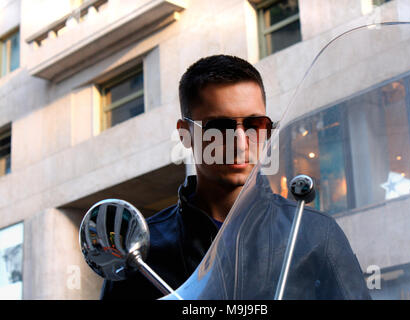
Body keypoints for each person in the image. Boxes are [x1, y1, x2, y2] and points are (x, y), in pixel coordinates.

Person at [100, 54, 371, 300]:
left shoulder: (314, 233)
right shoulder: (142, 252)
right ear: (185, 134)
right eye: (219, 127)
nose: (241, 143)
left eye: (256, 125)